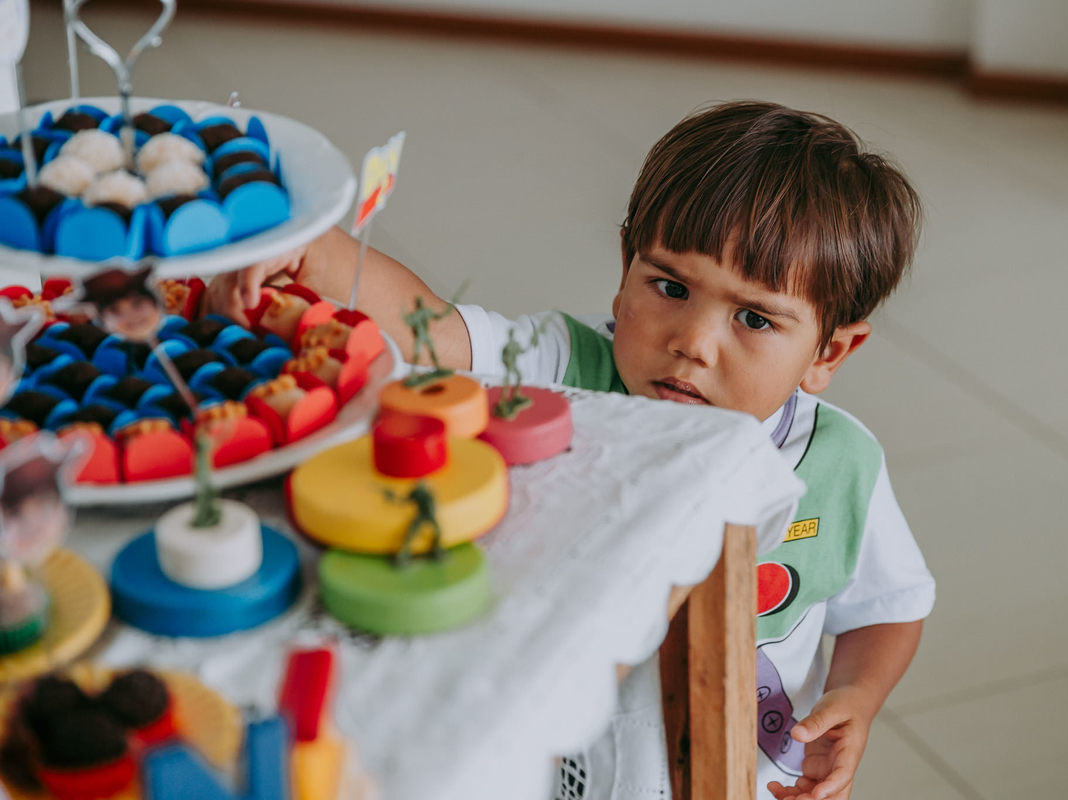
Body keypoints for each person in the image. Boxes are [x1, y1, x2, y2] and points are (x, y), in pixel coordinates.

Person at [207, 100, 935, 800]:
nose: (693, 342)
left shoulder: (842, 464)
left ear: (829, 351)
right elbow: (427, 330)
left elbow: (887, 606)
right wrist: (314, 247)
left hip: (745, 775)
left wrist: (858, 696)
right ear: (624, 272)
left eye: (753, 318)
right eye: (669, 286)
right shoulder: (556, 369)